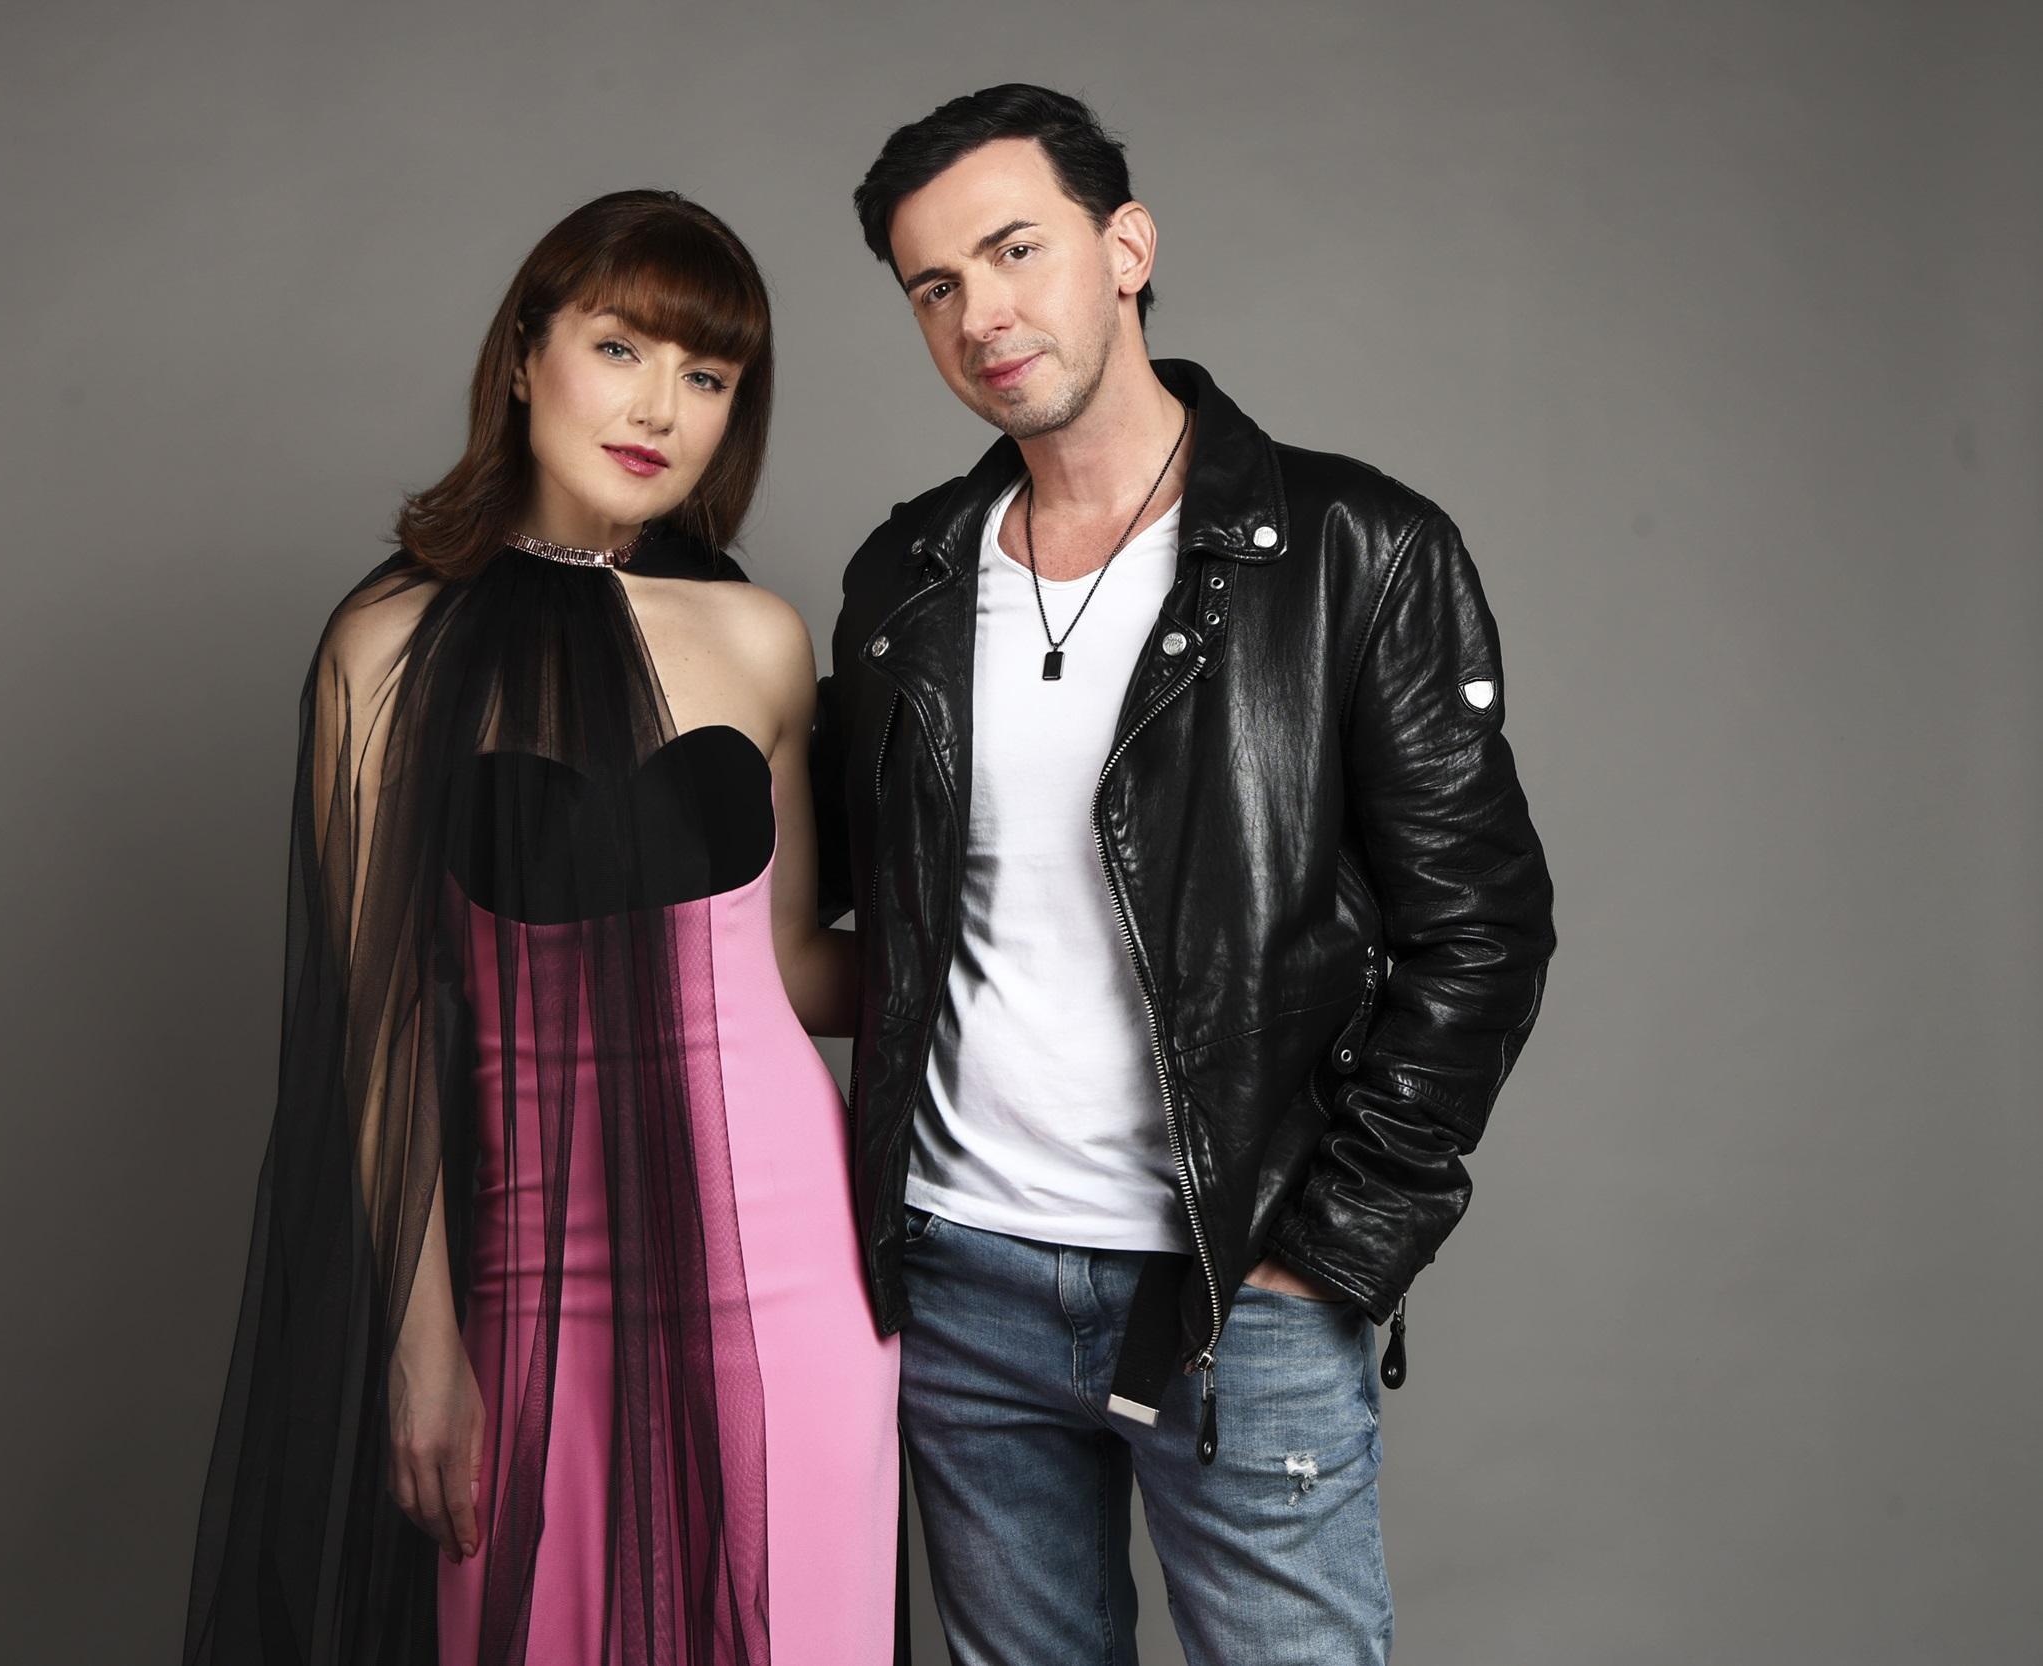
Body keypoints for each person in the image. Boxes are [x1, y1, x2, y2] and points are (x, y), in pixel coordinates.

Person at [812, 85, 1557, 1663]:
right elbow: (858, 913)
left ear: (1128, 248)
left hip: (1237, 1289)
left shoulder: (1357, 549)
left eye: (1016, 249)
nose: (980, 313)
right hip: (959, 1278)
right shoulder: (906, 581)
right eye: (934, 285)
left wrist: (1330, 1252)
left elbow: (1484, 929)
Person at [184, 189, 900, 1666]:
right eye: (621, 349)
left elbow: (794, 969)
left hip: (788, 1259)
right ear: (524, 355)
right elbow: (381, 1026)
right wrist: (421, 1347)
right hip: (537, 1267)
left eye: (707, 376)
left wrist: (1022, 943)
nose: (661, 410)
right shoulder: (384, 651)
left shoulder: (761, 639)